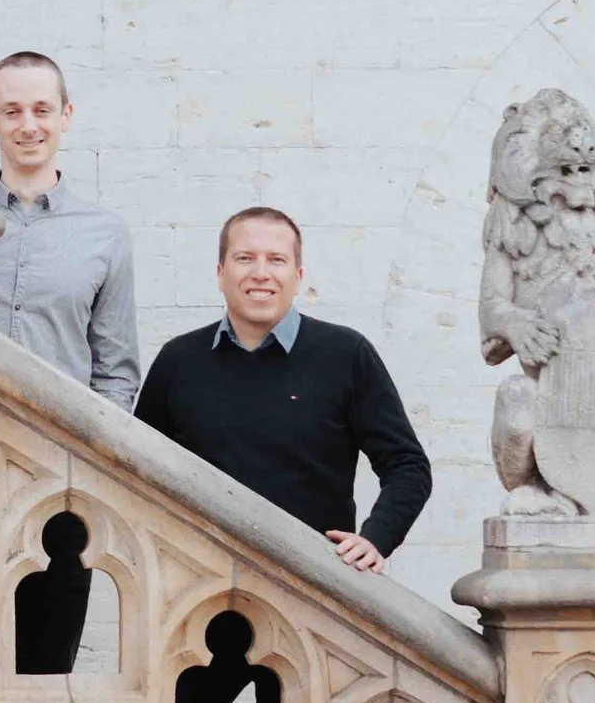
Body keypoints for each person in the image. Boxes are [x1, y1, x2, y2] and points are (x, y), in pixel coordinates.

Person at [135, 206, 430, 576]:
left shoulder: (345, 354)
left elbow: (407, 466)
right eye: (245, 258)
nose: (261, 273)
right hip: (198, 579)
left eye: (276, 260)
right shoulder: (178, 360)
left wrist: (375, 539)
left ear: (297, 275)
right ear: (220, 274)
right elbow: (139, 468)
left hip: (313, 584)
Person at [0, 51, 139, 410]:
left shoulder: (106, 234)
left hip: (61, 452)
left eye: (42, 110)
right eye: (12, 111)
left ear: (66, 115)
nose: (28, 126)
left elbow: (115, 373)